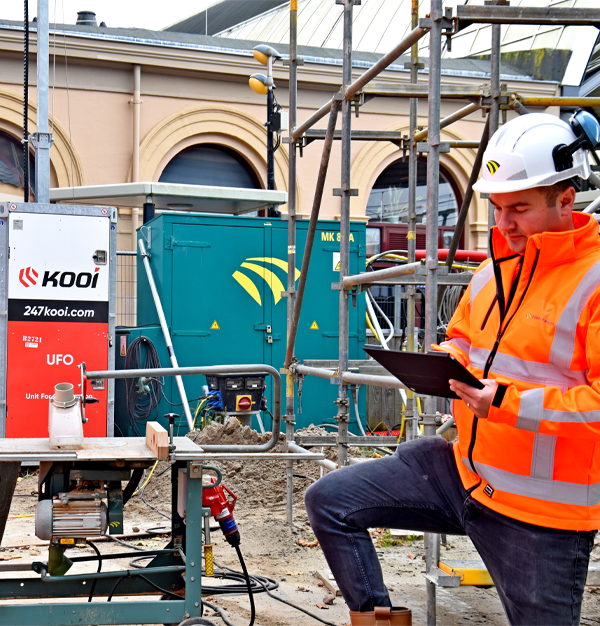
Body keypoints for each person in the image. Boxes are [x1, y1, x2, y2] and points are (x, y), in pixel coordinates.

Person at [305, 112, 600, 626]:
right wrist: (446, 361)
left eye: (519, 209)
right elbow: (465, 338)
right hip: (464, 472)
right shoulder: (492, 271)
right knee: (331, 501)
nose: (503, 224)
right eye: (497, 206)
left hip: (541, 515)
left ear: (566, 199)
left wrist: (503, 402)